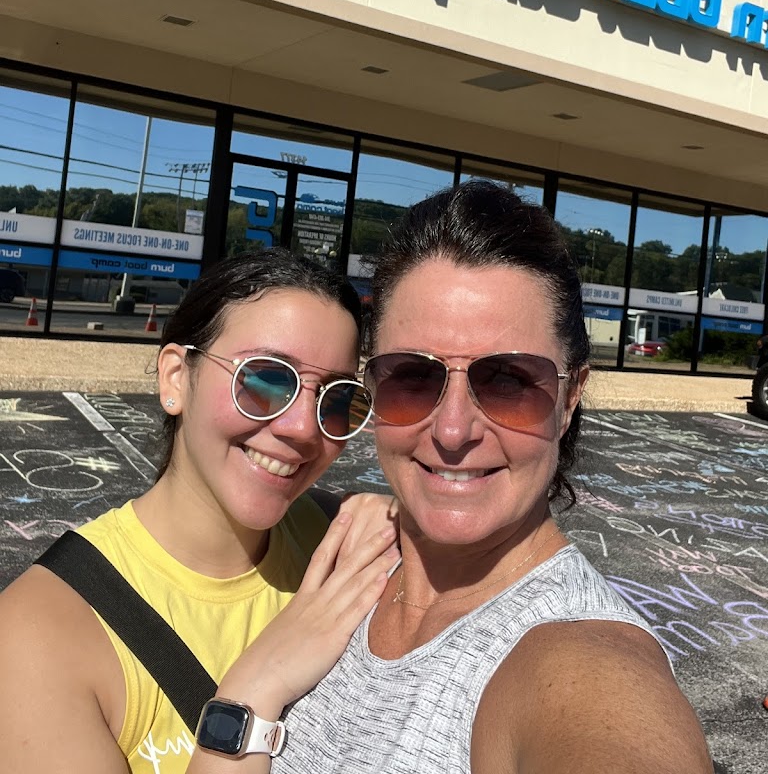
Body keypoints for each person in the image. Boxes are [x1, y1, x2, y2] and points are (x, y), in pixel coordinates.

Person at [182, 180, 712, 773]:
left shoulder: (578, 658)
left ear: (568, 399)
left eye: (508, 381)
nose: (453, 430)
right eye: (413, 376)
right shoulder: (345, 551)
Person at [0, 248, 399, 774]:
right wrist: (256, 686)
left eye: (338, 399)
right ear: (175, 379)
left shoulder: (346, 542)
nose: (303, 427)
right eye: (265, 379)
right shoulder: (39, 634)